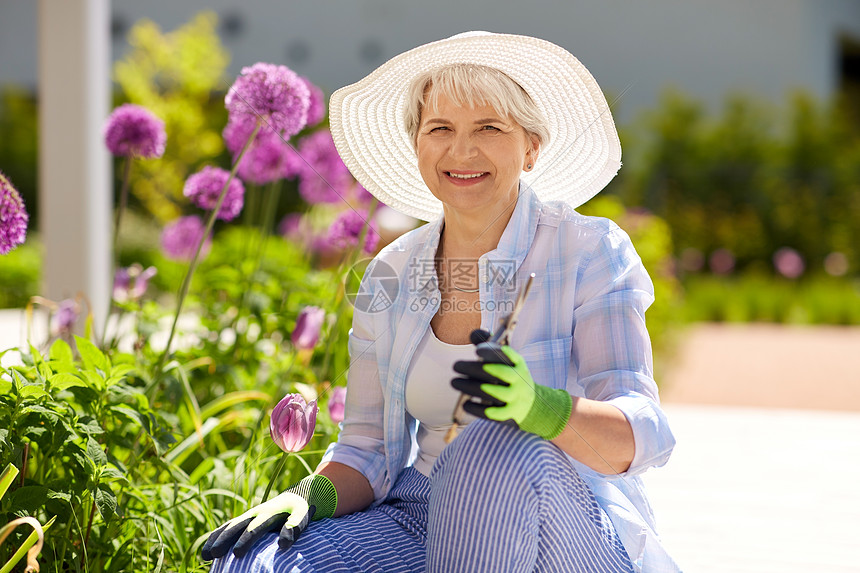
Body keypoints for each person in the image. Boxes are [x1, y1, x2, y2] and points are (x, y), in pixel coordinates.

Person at [204, 31, 679, 572]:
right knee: (262, 561)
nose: (462, 150)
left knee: (486, 448)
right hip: (423, 515)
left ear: (530, 147)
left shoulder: (589, 250)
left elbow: (646, 436)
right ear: (418, 145)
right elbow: (368, 450)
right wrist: (312, 497)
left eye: (489, 128)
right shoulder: (389, 273)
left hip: (568, 527)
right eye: (441, 129)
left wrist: (538, 408)